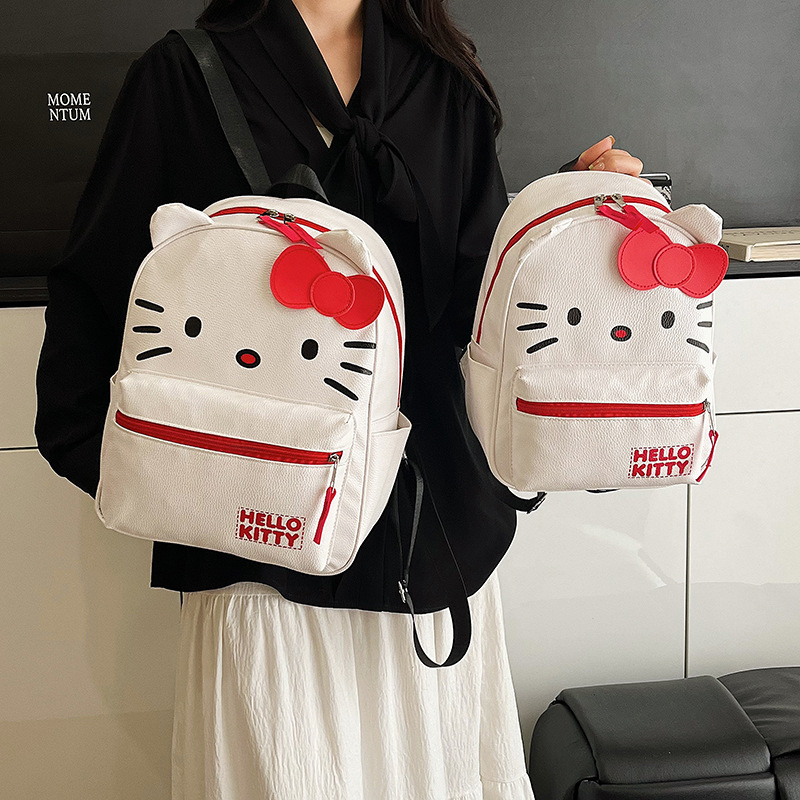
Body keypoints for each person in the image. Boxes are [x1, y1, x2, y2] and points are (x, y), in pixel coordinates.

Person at [35, 0, 645, 797]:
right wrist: (172, 485)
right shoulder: (182, 76)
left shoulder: (445, 83)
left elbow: (476, 323)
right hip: (259, 558)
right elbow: (97, 303)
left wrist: (565, 221)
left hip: (428, 550)